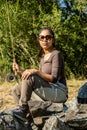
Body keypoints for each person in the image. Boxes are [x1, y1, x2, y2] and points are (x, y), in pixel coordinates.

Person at [12, 26, 68, 119]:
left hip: (59, 92)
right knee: (16, 90)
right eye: (42, 37)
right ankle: (24, 116)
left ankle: (22, 108)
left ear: (53, 40)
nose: (45, 40)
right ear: (39, 40)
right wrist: (20, 70)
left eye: (48, 37)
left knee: (31, 76)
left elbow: (53, 79)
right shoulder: (43, 58)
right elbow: (36, 79)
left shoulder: (56, 54)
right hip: (48, 89)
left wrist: (36, 71)